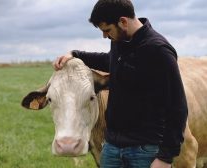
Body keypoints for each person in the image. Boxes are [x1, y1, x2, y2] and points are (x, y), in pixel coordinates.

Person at [53, 0, 188, 167]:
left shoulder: (158, 50)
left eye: (107, 30)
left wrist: (165, 158)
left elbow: (178, 107)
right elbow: (111, 61)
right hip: (112, 147)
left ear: (123, 21)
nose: (105, 36)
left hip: (144, 150)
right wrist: (75, 54)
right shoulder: (121, 41)